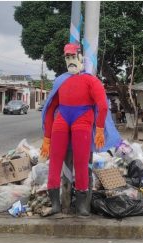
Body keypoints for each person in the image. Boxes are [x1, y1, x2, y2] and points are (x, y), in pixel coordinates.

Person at [40, 43, 121, 217]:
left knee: (81, 161)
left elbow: (102, 105)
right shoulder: (61, 80)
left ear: (80, 57)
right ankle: (56, 204)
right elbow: (49, 108)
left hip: (83, 117)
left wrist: (99, 129)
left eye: (72, 56)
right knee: (55, 160)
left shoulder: (91, 80)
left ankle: (82, 206)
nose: (70, 60)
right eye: (67, 57)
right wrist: (47, 139)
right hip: (63, 117)